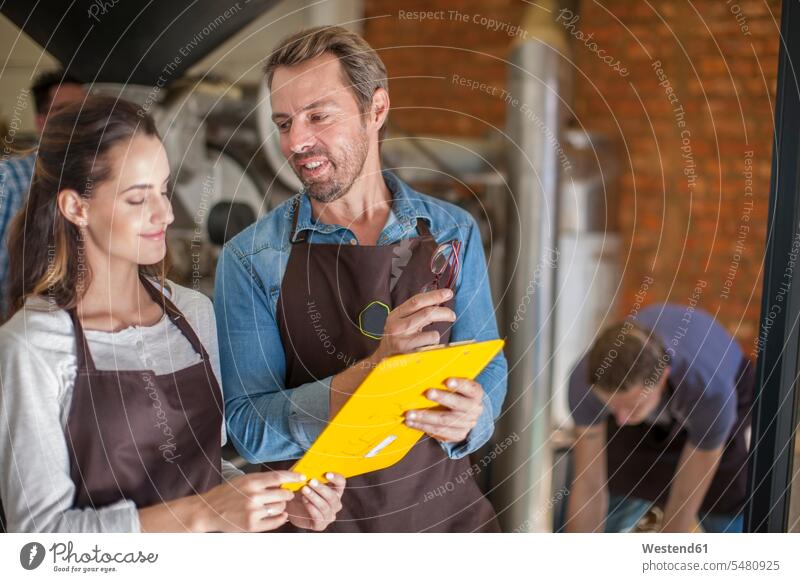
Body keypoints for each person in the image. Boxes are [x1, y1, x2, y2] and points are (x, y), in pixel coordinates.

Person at [0, 96, 345, 532]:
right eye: (137, 199)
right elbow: (38, 546)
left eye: (164, 190)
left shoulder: (193, 314)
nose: (166, 213)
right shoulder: (33, 346)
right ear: (76, 208)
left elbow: (205, 471)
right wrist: (204, 513)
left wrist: (273, 502)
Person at [214, 26, 508, 532]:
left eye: (318, 116)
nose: (296, 141)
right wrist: (373, 373)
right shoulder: (251, 258)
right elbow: (247, 427)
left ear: (376, 110)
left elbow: (488, 363)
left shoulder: (451, 229)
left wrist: (473, 420)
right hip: (319, 529)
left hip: (444, 524)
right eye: (283, 122)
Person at [563, 303, 754, 533]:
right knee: (613, 497)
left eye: (631, 406)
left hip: (718, 398)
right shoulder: (585, 383)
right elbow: (588, 485)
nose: (622, 419)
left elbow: (684, 502)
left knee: (725, 513)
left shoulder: (709, 391)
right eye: (613, 406)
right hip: (650, 406)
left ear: (662, 378)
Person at [0, 70, 85, 317]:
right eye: (67, 110)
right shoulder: (9, 179)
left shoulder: (97, 179)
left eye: (84, 110)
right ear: (41, 122)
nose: (79, 120)